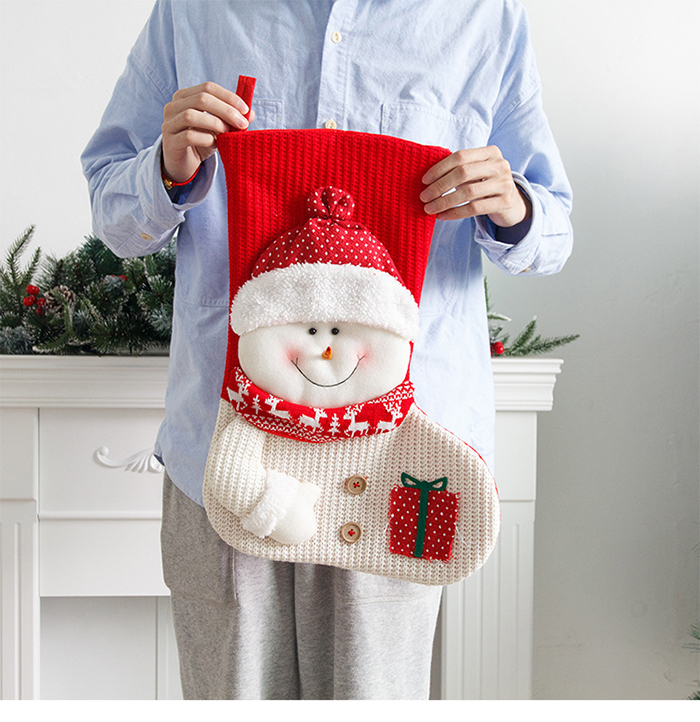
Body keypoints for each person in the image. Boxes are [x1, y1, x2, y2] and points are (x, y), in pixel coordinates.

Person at [81, 0, 573, 700]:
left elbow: (553, 234)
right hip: (221, 450)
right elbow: (113, 212)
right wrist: (164, 169)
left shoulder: (483, 19)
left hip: (404, 461)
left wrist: (514, 206)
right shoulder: (193, 11)